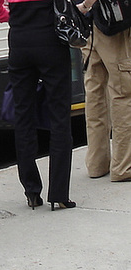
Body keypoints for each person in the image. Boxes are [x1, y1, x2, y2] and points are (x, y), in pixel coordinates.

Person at [0, 0, 76, 211]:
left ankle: (32, 192)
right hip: (50, 40)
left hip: (19, 41)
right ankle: (60, 194)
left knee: (23, 117)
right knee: (60, 117)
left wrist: (14, 19)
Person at [77, 0, 131, 182]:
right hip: (111, 26)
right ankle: (123, 167)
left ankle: (97, 164)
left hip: (87, 29)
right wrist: (87, 4)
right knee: (123, 93)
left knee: (94, 94)